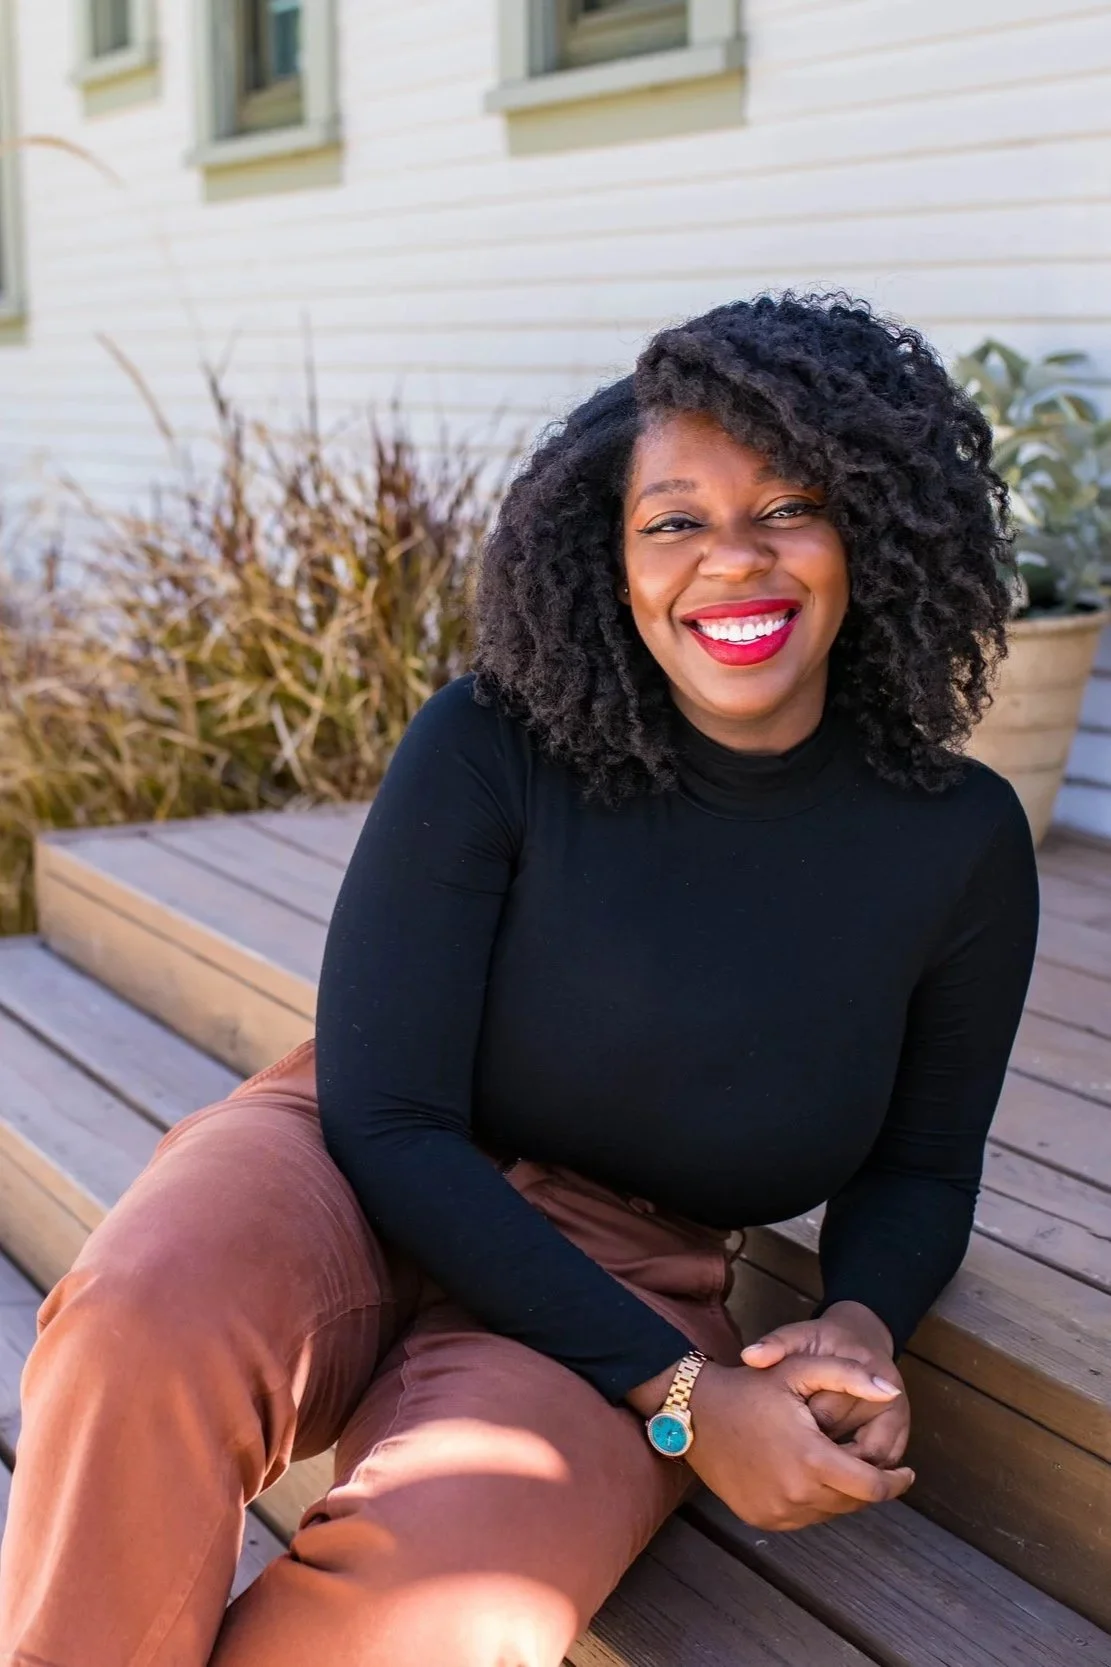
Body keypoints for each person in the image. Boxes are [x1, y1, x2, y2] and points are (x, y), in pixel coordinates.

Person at [0, 293, 1039, 1667]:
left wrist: (856, 1317)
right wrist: (684, 1399)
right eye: (672, 520)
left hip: (626, 1272)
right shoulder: (493, 741)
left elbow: (918, 1168)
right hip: (348, 1173)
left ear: (870, 531)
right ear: (608, 560)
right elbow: (383, 1121)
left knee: (444, 1613)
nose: (730, 561)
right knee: (137, 1326)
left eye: (787, 506)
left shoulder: (953, 841)